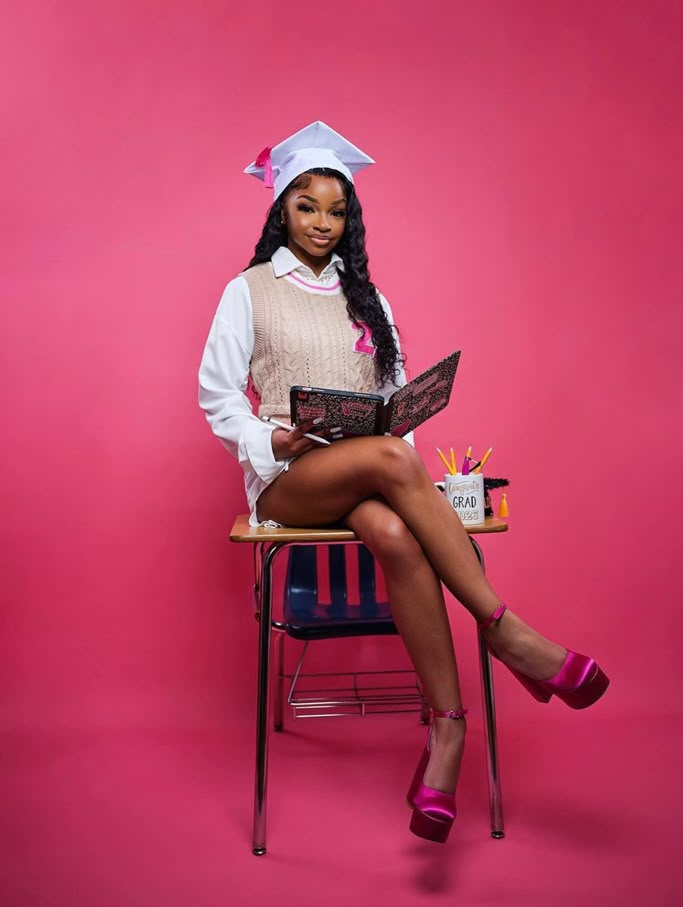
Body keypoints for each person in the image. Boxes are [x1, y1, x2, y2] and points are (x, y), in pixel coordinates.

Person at [198, 121, 609, 844]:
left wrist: (397, 444)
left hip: (366, 476)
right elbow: (218, 397)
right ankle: (508, 634)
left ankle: (446, 737)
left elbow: (393, 405)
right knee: (392, 460)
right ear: (281, 211)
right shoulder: (249, 290)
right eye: (307, 207)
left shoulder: (368, 298)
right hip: (289, 481)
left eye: (336, 210)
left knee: (393, 525)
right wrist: (273, 438)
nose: (323, 222)